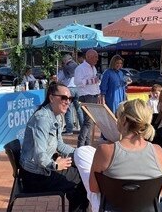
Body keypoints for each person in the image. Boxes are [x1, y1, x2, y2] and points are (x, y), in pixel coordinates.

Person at [74, 99, 162, 212]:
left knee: (81, 152)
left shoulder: (105, 150)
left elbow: (94, 189)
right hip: (148, 208)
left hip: (111, 208)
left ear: (123, 120)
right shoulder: (158, 151)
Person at [19, 82, 89, 212]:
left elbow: (60, 145)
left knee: (79, 172)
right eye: (64, 98)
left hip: (43, 168)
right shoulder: (42, 119)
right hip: (35, 176)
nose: (68, 102)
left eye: (70, 98)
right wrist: (56, 165)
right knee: (81, 180)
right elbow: (40, 155)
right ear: (51, 98)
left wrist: (82, 153)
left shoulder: (56, 115)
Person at [74, 49, 101, 147]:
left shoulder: (93, 68)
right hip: (86, 96)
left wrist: (98, 93)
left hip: (93, 95)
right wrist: (91, 81)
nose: (97, 59)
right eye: (95, 57)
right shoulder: (80, 68)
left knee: (90, 121)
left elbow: (95, 83)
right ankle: (81, 144)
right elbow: (77, 82)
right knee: (88, 121)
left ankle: (87, 143)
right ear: (88, 57)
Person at [59, 54, 84, 135]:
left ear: (66, 60)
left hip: (69, 90)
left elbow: (59, 79)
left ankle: (69, 130)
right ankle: (83, 129)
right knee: (79, 110)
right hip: (78, 89)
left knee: (68, 109)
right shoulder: (78, 66)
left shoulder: (65, 68)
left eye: (63, 60)